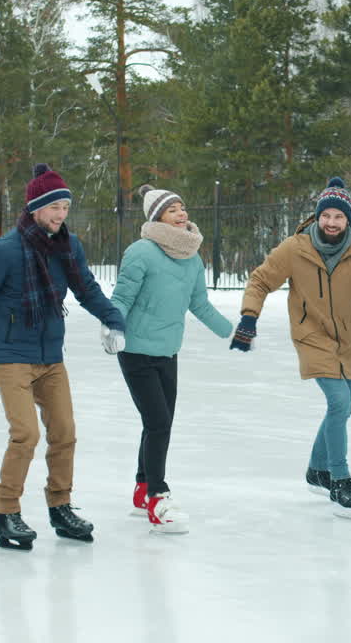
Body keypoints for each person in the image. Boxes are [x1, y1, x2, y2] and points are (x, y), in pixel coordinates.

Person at [0, 163, 126, 550]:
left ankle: (60, 507)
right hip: (10, 354)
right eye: (54, 207)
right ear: (35, 208)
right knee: (26, 433)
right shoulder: (3, 252)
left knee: (64, 432)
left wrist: (114, 320)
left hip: (50, 355)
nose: (61, 215)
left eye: (65, 207)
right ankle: (7, 512)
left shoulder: (68, 247)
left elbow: (87, 289)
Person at [231, 176, 351, 519]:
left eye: (339, 217)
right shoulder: (295, 248)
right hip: (311, 335)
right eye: (327, 216)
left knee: (345, 406)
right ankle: (339, 479)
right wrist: (249, 318)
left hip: (347, 338)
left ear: (348, 219)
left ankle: (316, 469)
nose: (332, 222)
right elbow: (261, 280)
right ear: (318, 216)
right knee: (339, 402)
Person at [109, 184, 233, 534]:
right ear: (158, 216)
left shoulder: (192, 258)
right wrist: (113, 327)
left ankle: (141, 486)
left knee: (157, 423)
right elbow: (121, 297)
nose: (183, 214)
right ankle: (157, 497)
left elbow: (200, 304)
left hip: (167, 351)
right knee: (159, 422)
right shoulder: (141, 252)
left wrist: (232, 332)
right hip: (135, 351)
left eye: (183, 207)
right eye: (174, 209)